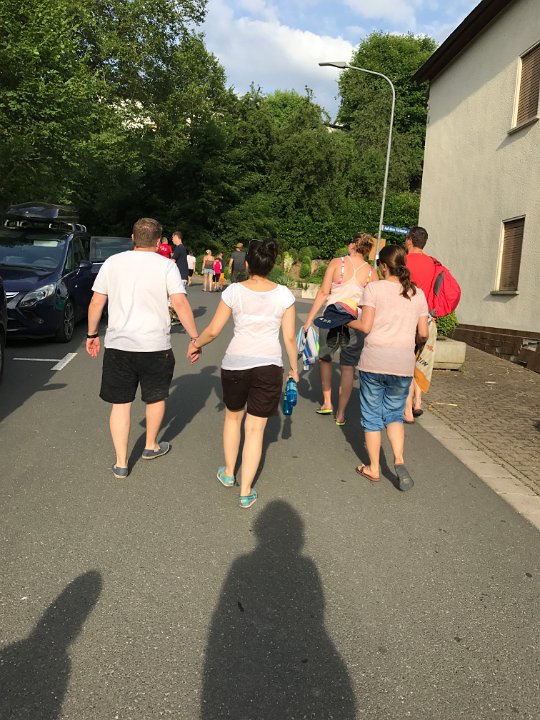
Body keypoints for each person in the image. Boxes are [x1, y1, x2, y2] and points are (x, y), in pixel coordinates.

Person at [187, 239, 298, 509]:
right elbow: (289, 338)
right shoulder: (284, 295)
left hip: (235, 363)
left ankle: (228, 473)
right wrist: (294, 369)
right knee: (256, 430)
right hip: (269, 366)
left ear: (247, 264)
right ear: (271, 265)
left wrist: (196, 344)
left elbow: (214, 330)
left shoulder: (234, 291)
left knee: (233, 419)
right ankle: (246, 491)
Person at [86, 217, 200, 479]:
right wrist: (195, 338)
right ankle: (151, 445)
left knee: (120, 404)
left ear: (132, 238)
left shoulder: (112, 263)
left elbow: (96, 302)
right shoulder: (166, 266)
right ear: (159, 242)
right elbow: (180, 303)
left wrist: (92, 334)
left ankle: (121, 462)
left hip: (119, 345)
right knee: (156, 397)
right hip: (155, 345)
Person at [347, 245, 428, 491]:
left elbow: (366, 326)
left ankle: (373, 468)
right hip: (402, 365)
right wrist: (413, 343)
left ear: (383, 266)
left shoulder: (373, 288)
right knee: (394, 415)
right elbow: (423, 333)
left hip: (375, 361)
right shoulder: (417, 293)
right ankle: (399, 460)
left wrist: (347, 320)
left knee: (372, 417)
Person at [303, 233, 377, 426]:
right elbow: (373, 303)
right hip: (355, 321)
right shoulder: (371, 272)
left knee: (325, 359)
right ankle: (341, 413)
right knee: (347, 366)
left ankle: (327, 402)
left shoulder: (338, 263)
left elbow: (323, 292)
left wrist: (309, 319)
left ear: (352, 245)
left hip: (331, 318)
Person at [404, 225, 436, 421]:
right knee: (419, 360)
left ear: (410, 240)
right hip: (427, 317)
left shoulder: (404, 260)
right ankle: (418, 402)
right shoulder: (432, 263)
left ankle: (407, 409)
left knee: (407, 362)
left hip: (408, 316)